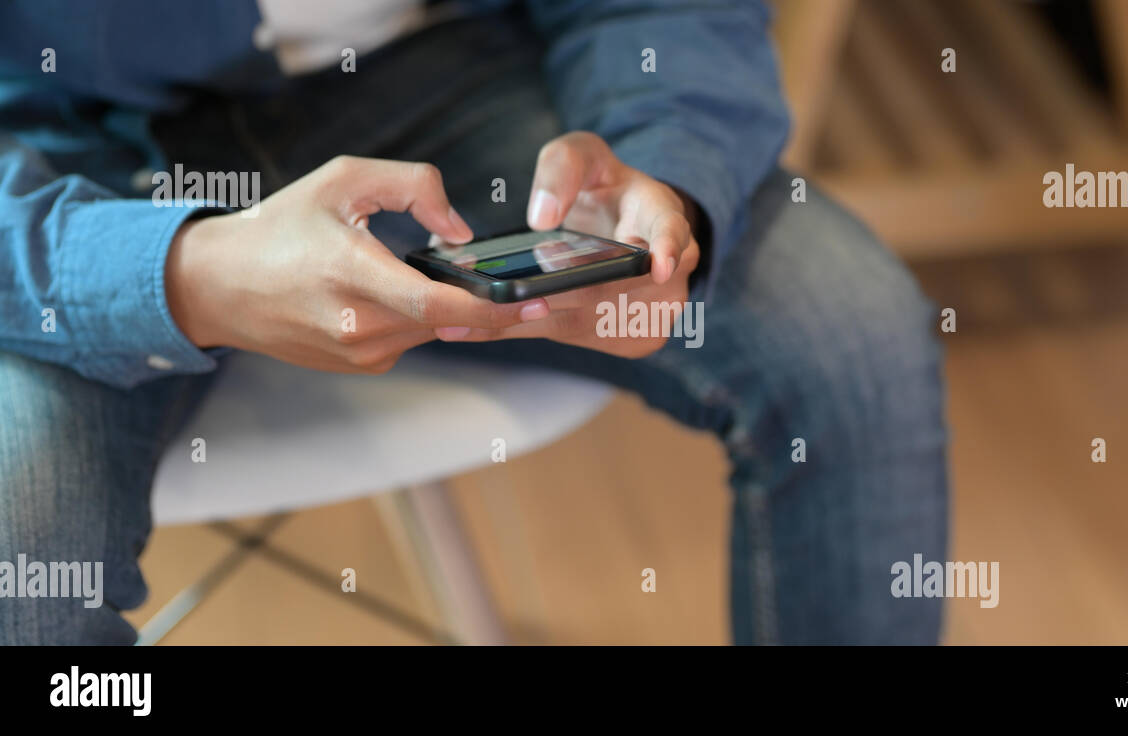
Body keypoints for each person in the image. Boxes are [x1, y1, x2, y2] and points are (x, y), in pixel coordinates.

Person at [0, 0, 948, 645]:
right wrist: (180, 275)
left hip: (437, 65)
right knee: (21, 552)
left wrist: (666, 155)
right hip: (54, 162)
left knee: (848, 335)